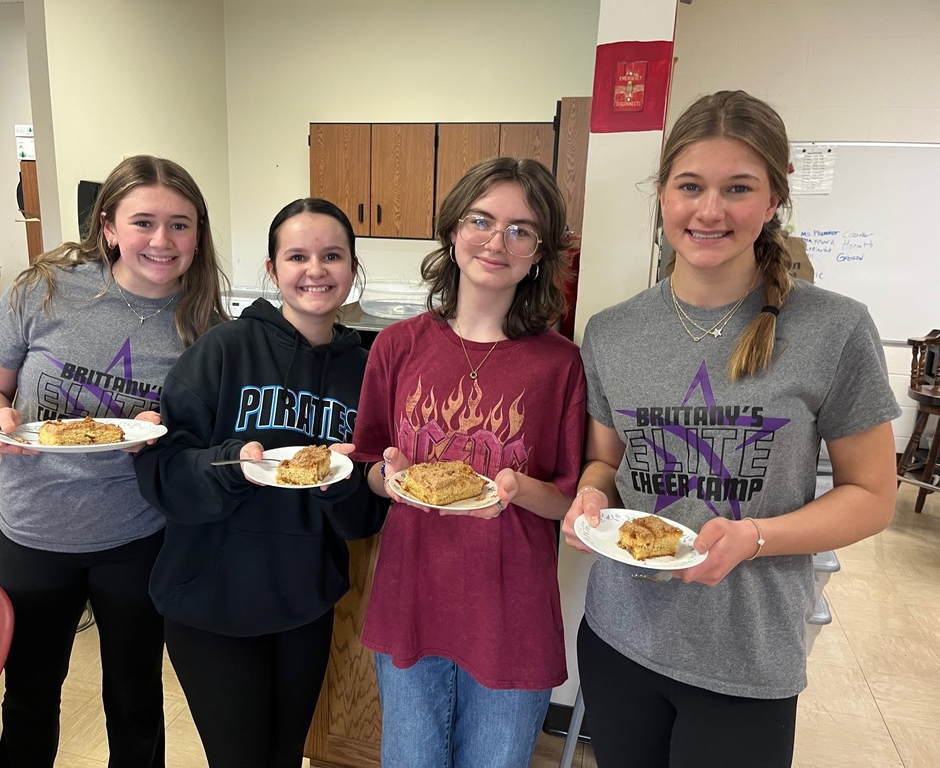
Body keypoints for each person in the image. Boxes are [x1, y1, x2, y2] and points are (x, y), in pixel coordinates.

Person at [563, 90, 900, 768]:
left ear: (774, 197)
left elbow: (873, 495)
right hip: (620, 638)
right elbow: (605, 463)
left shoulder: (834, 329)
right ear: (662, 194)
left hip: (747, 657)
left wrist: (756, 538)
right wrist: (592, 497)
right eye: (690, 185)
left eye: (737, 188)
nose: (709, 210)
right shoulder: (612, 331)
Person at [0, 154, 230, 767]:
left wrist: (171, 435)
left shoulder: (203, 325)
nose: (162, 240)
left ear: (198, 234)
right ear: (108, 226)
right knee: (29, 699)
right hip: (35, 530)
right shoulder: (47, 290)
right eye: (144, 222)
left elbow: (205, 441)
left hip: (137, 535)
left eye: (181, 225)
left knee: (136, 702)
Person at [132, 197, 387, 768]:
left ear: (352, 267)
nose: (315, 270)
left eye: (332, 256)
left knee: (286, 755)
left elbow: (361, 518)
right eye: (297, 256)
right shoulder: (224, 350)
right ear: (273, 270)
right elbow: (163, 469)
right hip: (210, 597)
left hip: (304, 600)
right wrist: (233, 463)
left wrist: (347, 482)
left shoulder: (366, 371)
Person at [351, 157, 587, 767]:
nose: (496, 240)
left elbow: (568, 499)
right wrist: (390, 476)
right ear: (454, 231)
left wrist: (516, 490)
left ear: (538, 254)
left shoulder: (561, 365)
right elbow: (371, 462)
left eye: (520, 229)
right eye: (482, 220)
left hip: (512, 612)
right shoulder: (397, 346)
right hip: (413, 600)